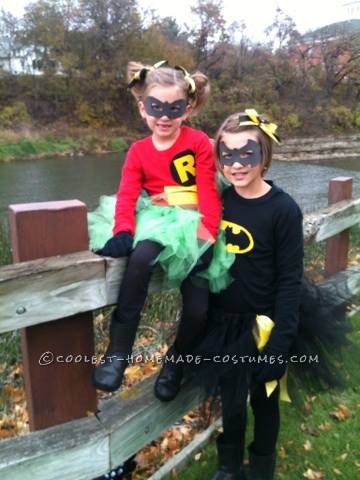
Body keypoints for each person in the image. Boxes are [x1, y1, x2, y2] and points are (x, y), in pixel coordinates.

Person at [91, 60, 222, 401]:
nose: (164, 117)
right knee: (141, 258)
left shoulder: (198, 143)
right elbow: (127, 195)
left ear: (187, 108)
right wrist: (122, 231)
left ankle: (176, 362)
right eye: (156, 107)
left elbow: (207, 189)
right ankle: (118, 354)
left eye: (173, 108)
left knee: (198, 308)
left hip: (196, 224)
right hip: (156, 221)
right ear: (142, 109)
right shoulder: (138, 151)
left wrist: (207, 234)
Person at [203, 109, 304, 480]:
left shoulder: (283, 210)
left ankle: (261, 467)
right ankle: (229, 466)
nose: (237, 164)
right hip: (224, 324)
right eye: (227, 155)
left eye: (247, 154)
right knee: (230, 401)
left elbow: (290, 280)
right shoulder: (219, 201)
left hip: (264, 326)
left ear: (264, 155)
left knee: (265, 402)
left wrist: (279, 345)